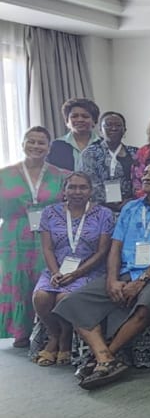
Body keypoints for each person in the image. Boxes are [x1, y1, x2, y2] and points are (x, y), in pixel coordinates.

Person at [53, 163, 150, 389]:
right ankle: (105, 358)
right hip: (125, 270)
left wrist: (142, 280)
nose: (146, 177)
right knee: (73, 302)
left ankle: (106, 356)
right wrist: (111, 280)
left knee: (146, 305)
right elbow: (115, 246)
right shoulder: (131, 208)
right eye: (145, 173)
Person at [31, 172, 114, 366]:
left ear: (91, 191)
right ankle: (54, 334)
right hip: (56, 269)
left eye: (83, 187)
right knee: (40, 297)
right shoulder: (50, 212)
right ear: (64, 190)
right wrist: (55, 272)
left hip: (89, 269)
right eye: (72, 187)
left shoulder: (104, 214)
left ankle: (65, 339)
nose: (77, 191)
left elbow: (102, 251)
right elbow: (47, 248)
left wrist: (76, 273)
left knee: (64, 298)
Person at [0, 127, 67, 348]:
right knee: (18, 281)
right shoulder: (4, 174)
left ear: (49, 147)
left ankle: (49, 331)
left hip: (49, 234)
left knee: (45, 279)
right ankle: (20, 331)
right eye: (31, 141)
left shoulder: (61, 175)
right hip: (14, 235)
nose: (36, 146)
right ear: (23, 144)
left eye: (41, 143)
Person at [81, 111, 138, 210]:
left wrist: (131, 202)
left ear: (124, 130)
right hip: (99, 208)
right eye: (108, 125)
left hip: (131, 207)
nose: (114, 128)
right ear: (100, 130)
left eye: (118, 125)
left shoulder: (135, 153)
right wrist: (113, 203)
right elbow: (89, 182)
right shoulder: (90, 153)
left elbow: (140, 181)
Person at [46, 98, 100, 171]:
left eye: (85, 116)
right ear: (67, 121)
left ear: (94, 121)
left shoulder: (104, 145)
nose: (80, 120)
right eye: (74, 116)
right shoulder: (55, 146)